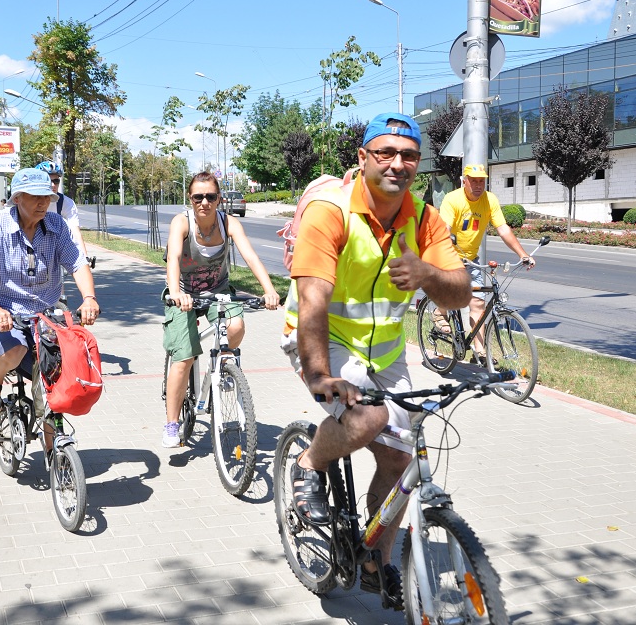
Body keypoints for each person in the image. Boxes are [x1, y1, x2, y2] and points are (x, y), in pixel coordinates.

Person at [281, 113, 471, 608]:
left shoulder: (425, 219)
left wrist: (427, 271)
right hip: (324, 339)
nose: (397, 163)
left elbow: (460, 293)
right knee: (368, 418)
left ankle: (375, 559)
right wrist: (321, 375)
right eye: (385, 152)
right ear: (363, 159)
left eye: (408, 155)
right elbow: (313, 303)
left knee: (401, 459)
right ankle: (307, 463)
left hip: (386, 352)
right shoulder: (331, 212)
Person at [0, 167, 100, 430]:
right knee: (13, 349)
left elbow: (77, 264)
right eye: (35, 196)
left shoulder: (56, 225)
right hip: (0, 307)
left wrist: (89, 298)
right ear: (17, 198)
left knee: (58, 374)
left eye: (47, 197)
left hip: (44, 311)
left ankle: (54, 448)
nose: (43, 203)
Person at [162, 171, 280, 448]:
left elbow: (250, 255)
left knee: (237, 326)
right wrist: (177, 293)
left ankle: (222, 364)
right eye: (198, 197)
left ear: (219, 199)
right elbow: (174, 259)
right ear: (189, 199)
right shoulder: (182, 222)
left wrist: (269, 290)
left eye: (210, 196)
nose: (204, 202)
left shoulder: (229, 223)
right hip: (184, 294)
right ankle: (171, 423)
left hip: (219, 291)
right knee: (184, 357)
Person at [438, 164, 536, 364]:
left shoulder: (490, 200)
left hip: (471, 258)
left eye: (481, 180)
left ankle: (479, 352)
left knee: (478, 303)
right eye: (473, 180)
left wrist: (523, 254)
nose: (477, 184)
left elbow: (503, 229)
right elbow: (444, 230)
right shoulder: (452, 200)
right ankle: (439, 313)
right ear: (463, 180)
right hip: (448, 254)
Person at [35, 161, 94, 268]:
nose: (53, 185)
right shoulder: (28, 200)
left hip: (53, 248)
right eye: (48, 180)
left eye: (56, 181)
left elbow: (75, 231)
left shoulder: (66, 203)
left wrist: (85, 257)